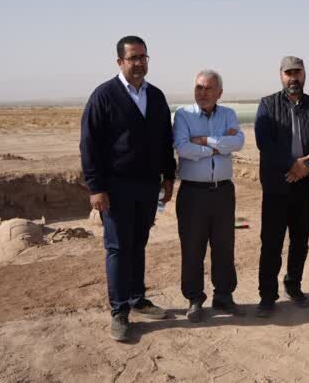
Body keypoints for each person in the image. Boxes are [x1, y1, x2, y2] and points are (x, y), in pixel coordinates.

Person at [80, 35, 175, 342]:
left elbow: (165, 140)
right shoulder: (104, 95)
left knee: (138, 243)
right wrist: (96, 187)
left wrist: (169, 176)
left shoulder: (156, 96)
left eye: (143, 57)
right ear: (120, 61)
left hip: (147, 186)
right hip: (116, 186)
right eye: (133, 58)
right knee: (118, 247)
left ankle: (137, 298)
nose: (139, 63)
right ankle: (119, 311)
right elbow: (89, 144)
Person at [254, 56, 309, 317]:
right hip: (277, 186)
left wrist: (307, 165)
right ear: (281, 75)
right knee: (271, 243)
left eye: (297, 72)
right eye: (288, 73)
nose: (293, 77)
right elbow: (264, 141)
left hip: (306, 186)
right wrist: (292, 164)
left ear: (304, 74)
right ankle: (267, 295)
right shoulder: (267, 104)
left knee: (300, 241)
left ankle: (293, 285)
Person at [173, 70, 246, 322]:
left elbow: (238, 142)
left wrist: (204, 140)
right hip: (193, 192)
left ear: (219, 93)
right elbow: (183, 147)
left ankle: (224, 296)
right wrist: (217, 147)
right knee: (192, 247)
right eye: (199, 87)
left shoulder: (228, 114)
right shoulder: (183, 114)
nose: (202, 93)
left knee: (224, 246)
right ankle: (194, 299)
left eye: (208, 88)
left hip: (223, 191)